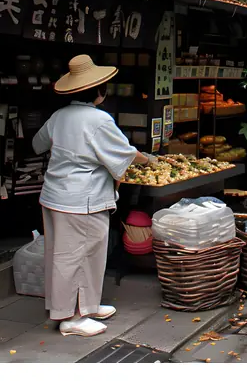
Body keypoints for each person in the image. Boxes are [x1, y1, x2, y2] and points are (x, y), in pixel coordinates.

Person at [32, 55, 156, 338]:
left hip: (54, 195)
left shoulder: (59, 116)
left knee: (62, 255)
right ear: (100, 91)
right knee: (81, 256)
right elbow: (125, 155)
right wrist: (149, 160)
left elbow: (37, 144)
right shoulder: (99, 120)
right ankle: (74, 317)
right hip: (82, 200)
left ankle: (79, 306)